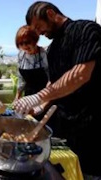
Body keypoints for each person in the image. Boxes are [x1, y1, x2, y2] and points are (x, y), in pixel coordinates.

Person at [13, 1, 101, 177]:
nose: (38, 33)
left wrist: (38, 96)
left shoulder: (86, 29)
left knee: (89, 174)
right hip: (64, 128)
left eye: (39, 26)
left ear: (51, 14)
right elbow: (52, 84)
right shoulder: (52, 49)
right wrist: (39, 107)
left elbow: (79, 75)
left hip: (91, 127)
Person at [14, 25, 49, 118]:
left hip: (45, 97)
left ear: (35, 40)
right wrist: (17, 97)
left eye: (27, 42)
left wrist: (42, 106)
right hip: (28, 97)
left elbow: (52, 80)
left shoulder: (44, 54)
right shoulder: (21, 55)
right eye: (21, 43)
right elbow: (21, 79)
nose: (24, 46)